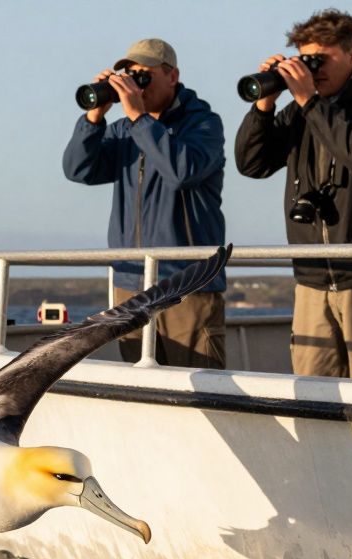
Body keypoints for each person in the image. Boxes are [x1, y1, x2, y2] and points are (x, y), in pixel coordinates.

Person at [234, 9, 352, 381]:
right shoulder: (302, 111)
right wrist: (264, 107)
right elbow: (252, 164)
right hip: (312, 279)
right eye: (306, 60)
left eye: (321, 59)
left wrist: (309, 102)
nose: (312, 70)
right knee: (315, 399)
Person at [63, 38, 227, 369]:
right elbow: (78, 170)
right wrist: (93, 119)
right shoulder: (124, 129)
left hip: (186, 284)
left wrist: (140, 119)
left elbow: (182, 172)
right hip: (131, 283)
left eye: (143, 76)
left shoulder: (203, 124)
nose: (136, 85)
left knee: (200, 388)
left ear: (172, 76)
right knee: (141, 386)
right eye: (130, 76)